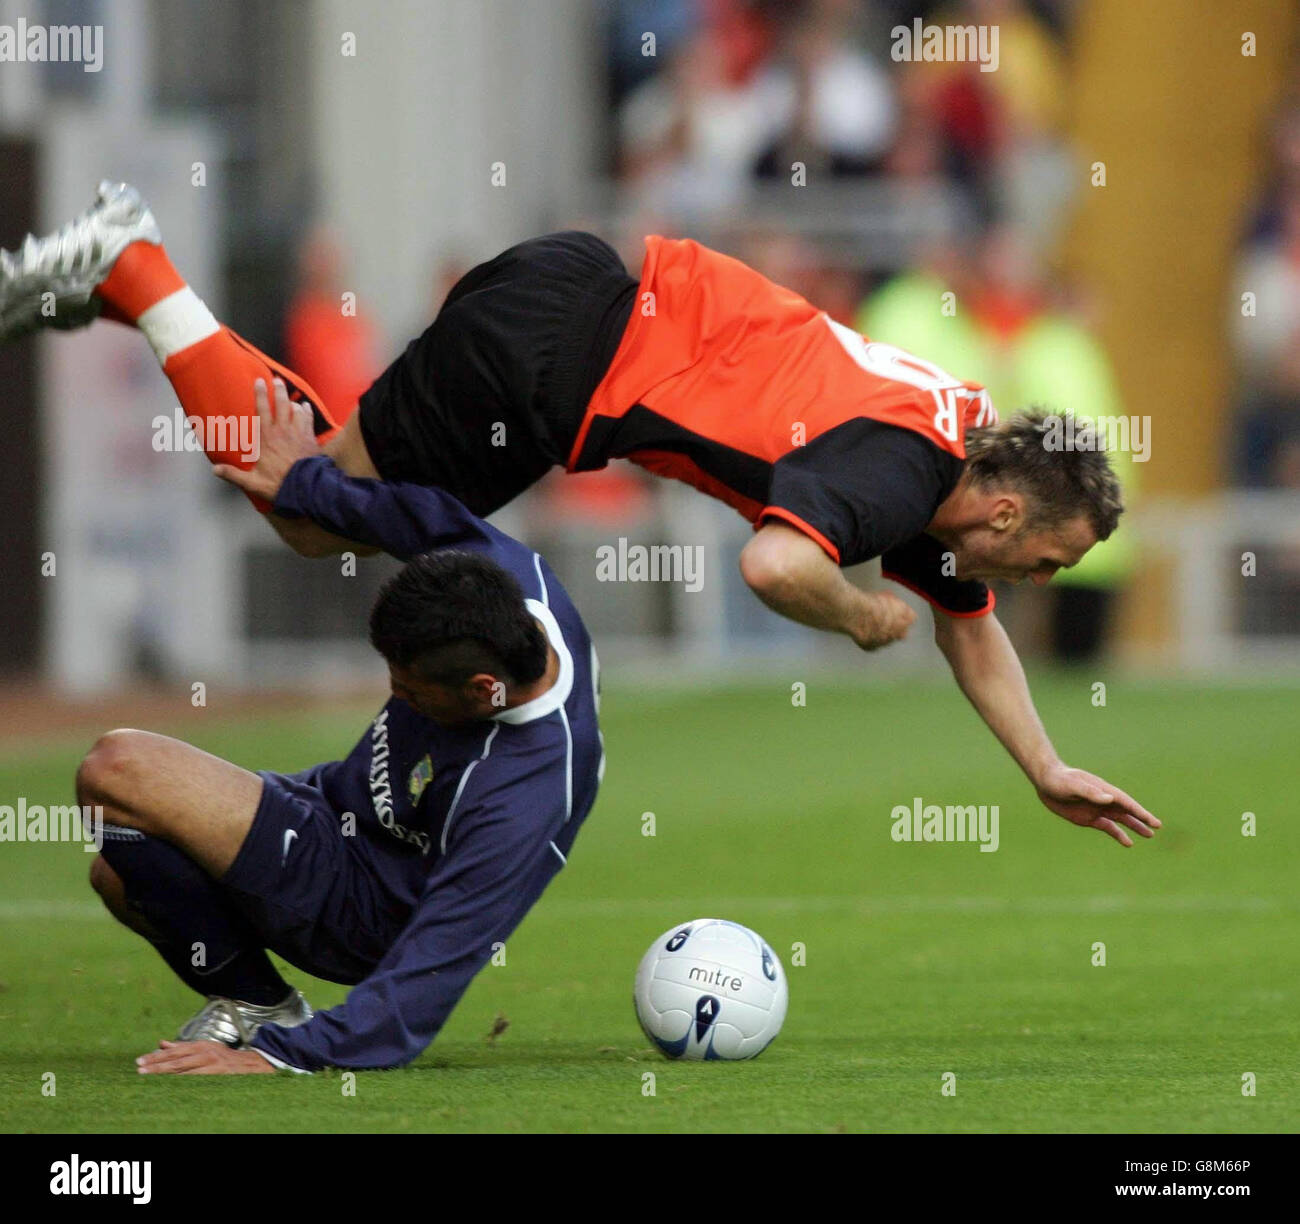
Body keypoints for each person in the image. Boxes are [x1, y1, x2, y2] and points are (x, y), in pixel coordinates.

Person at [1, 182, 1157, 847]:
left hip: (572, 310)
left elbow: (968, 623)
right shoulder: (903, 477)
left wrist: (1043, 765)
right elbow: (770, 567)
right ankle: (140, 273)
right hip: (561, 361)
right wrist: (856, 617)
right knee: (315, 514)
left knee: (329, 486)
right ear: (1003, 511)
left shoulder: (948, 441)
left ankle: (128, 280)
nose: (1025, 587)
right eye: (1041, 563)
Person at [79, 380, 602, 1073]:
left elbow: (437, 961)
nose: (394, 697)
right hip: (330, 807)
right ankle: (255, 995)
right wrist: (304, 480)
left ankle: (261, 1012)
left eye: (409, 692)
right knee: (120, 869)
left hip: (363, 908)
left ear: (483, 691)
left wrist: (285, 1056)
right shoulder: (514, 581)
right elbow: (423, 517)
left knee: (118, 768)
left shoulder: (526, 792)